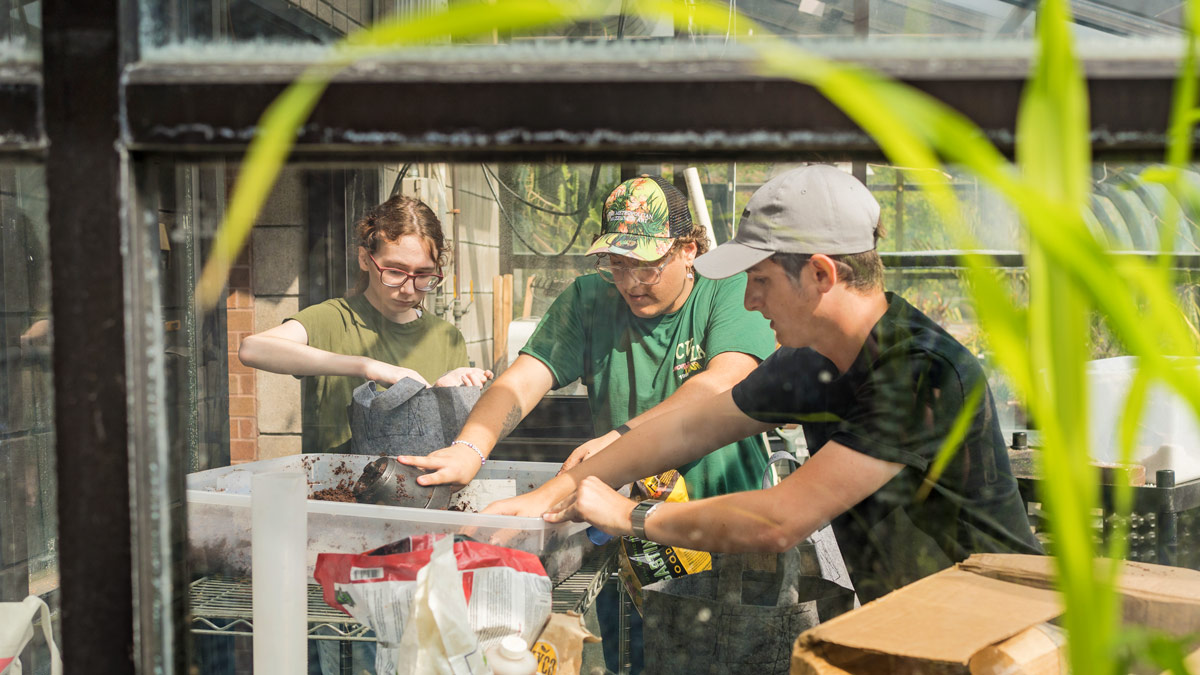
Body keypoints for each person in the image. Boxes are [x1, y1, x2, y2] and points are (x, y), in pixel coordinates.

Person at [489, 164, 1042, 604]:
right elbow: (687, 429)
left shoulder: (918, 370)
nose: (750, 301)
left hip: (993, 626)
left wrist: (631, 516)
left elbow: (780, 520)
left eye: (761, 281)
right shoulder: (812, 360)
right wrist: (547, 497)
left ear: (822, 274)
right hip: (910, 620)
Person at [402, 174, 777, 673]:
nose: (629, 282)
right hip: (627, 537)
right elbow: (521, 380)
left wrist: (621, 436)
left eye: (646, 265)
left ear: (689, 250)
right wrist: (470, 448)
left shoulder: (727, 290)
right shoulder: (589, 298)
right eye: (616, 264)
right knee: (633, 658)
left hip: (723, 530)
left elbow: (722, 384)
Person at [239, 194, 492, 455]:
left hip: (425, 489)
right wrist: (370, 367)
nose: (408, 289)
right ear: (364, 259)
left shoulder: (446, 336)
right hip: (338, 486)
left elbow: (453, 441)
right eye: (394, 271)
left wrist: (448, 393)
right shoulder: (335, 319)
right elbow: (252, 349)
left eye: (424, 275)